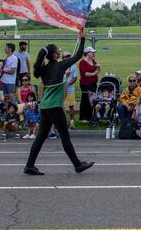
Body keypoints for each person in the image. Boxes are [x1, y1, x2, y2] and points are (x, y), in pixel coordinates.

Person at [24, 36, 94, 176]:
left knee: (40, 138)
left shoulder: (43, 69)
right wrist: (82, 39)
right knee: (64, 136)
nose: (59, 52)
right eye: (58, 50)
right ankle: (78, 165)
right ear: (55, 55)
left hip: (45, 107)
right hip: (55, 107)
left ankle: (29, 166)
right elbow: (79, 55)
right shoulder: (60, 65)